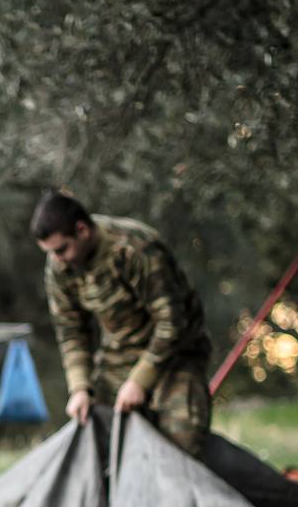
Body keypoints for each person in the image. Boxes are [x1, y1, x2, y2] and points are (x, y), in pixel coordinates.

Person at [30, 190, 212, 457]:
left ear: (82, 230)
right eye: (51, 253)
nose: (57, 259)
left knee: (181, 445)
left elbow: (173, 322)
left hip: (175, 355)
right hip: (119, 355)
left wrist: (140, 381)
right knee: (94, 436)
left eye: (61, 250)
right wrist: (80, 387)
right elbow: (71, 330)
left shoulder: (134, 247)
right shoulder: (59, 266)